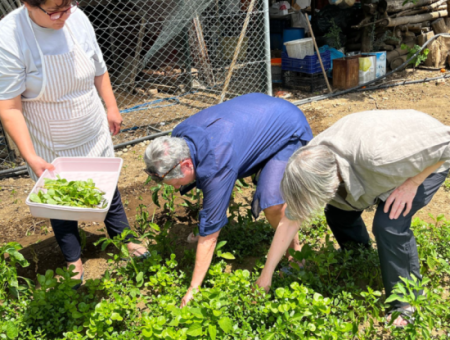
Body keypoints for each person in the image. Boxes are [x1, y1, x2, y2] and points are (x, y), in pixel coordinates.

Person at [255, 109, 450, 328]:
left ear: (330, 181)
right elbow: (290, 219)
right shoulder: (310, 161)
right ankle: (359, 254)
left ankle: (406, 303)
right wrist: (266, 276)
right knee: (338, 209)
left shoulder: (380, 156)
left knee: (389, 224)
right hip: (379, 156)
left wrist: (413, 183)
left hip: (427, 160)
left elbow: (447, 143)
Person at [0, 0, 146, 286]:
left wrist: (112, 107)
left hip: (91, 126)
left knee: (107, 189)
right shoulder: (9, 36)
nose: (64, 16)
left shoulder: (75, 17)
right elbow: (9, 107)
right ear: (29, 4)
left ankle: (124, 239)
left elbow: (98, 67)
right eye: (55, 11)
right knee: (61, 203)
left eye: (68, 6)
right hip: (51, 139)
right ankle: (73, 260)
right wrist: (29, 155)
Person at [143, 93, 313, 307]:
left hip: (287, 129)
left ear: (186, 164)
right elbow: (206, 173)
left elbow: (211, 236)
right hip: (260, 111)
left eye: (174, 181)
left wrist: (193, 288)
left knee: (272, 203)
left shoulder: (216, 160)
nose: (176, 187)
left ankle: (296, 256)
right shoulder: (180, 136)